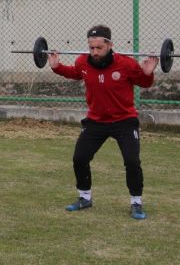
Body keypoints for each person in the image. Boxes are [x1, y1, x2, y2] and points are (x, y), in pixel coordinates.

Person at [48, 25, 158, 220]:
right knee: (79, 158)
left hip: (124, 120)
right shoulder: (83, 61)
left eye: (99, 48)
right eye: (91, 48)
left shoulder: (126, 64)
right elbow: (74, 73)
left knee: (132, 161)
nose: (94, 52)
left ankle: (136, 202)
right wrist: (57, 67)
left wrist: (148, 72)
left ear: (109, 45)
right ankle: (84, 198)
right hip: (96, 121)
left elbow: (144, 82)